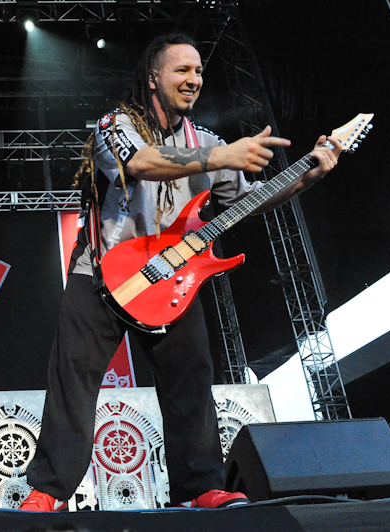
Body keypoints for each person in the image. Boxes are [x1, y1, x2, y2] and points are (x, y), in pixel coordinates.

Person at [18, 33, 341, 511]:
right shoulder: (117, 124)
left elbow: (247, 203)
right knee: (73, 379)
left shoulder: (208, 143)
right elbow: (142, 163)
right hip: (105, 274)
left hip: (174, 281)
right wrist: (223, 156)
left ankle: (200, 488)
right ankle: (48, 492)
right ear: (153, 77)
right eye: (182, 71)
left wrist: (306, 176)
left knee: (190, 383)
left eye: (198, 72)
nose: (194, 80)